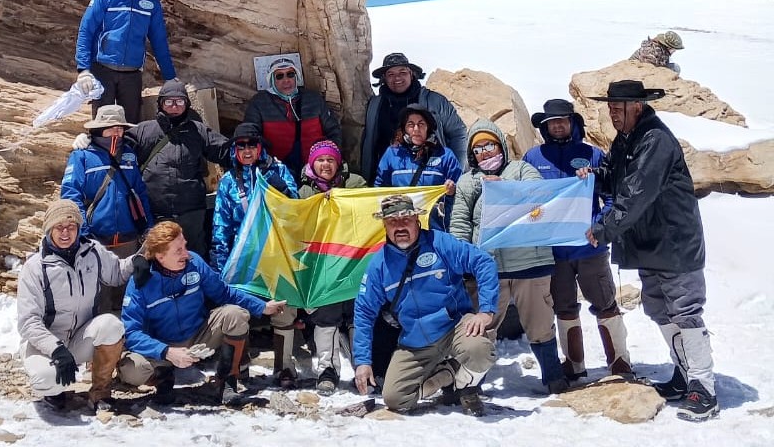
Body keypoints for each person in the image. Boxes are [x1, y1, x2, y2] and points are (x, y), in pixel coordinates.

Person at [581, 79, 719, 421]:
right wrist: (593, 176)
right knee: (659, 308)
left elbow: (636, 194)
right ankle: (684, 374)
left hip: (674, 241)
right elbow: (616, 177)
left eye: (618, 108)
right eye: (610, 108)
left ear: (637, 107)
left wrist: (604, 229)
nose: (612, 114)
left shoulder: (655, 139)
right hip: (649, 242)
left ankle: (704, 386)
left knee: (685, 309)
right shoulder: (627, 138)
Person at [449, 120, 568, 395]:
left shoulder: (522, 170)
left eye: (489, 145)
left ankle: (553, 377)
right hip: (488, 268)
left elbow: (539, 198)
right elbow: (460, 222)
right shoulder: (468, 181)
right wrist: (462, 261)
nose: (485, 153)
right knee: (482, 328)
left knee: (540, 326)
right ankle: (471, 383)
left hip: (531, 263)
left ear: (500, 144)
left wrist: (503, 188)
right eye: (477, 149)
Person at [353, 194, 499, 416]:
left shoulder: (440, 243)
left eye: (406, 220)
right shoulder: (378, 265)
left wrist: (486, 311)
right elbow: (364, 312)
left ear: (416, 221)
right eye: (393, 221)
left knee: (480, 351)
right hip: (416, 341)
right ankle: (449, 374)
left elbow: (483, 262)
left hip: (454, 327)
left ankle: (467, 387)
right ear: (384, 225)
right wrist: (363, 361)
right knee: (395, 399)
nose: (400, 226)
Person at [118, 221, 287, 405]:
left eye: (184, 246)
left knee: (236, 315)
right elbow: (132, 332)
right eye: (178, 250)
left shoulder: (195, 263)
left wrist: (262, 307)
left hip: (198, 335)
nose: (186, 253)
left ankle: (227, 381)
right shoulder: (140, 283)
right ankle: (162, 378)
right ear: (159, 255)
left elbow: (224, 293)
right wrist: (166, 352)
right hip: (161, 346)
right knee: (131, 370)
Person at [522, 99, 632, 379]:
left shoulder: (593, 154)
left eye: (563, 120)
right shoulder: (533, 158)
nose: (557, 126)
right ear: (544, 127)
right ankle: (574, 364)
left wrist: (599, 228)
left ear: (573, 122)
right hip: (553, 252)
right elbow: (524, 200)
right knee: (564, 307)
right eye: (551, 122)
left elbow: (610, 197)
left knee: (605, 302)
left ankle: (619, 361)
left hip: (589, 247)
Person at [72, 80, 230, 256]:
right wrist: (89, 139)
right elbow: (113, 144)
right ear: (160, 104)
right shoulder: (145, 130)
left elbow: (225, 151)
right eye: (169, 101)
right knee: (159, 262)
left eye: (180, 101)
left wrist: (250, 150)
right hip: (156, 215)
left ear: (187, 104)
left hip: (191, 214)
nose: (175, 106)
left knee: (193, 260)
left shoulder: (198, 131)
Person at [17, 200, 135, 412]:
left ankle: (100, 391)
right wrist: (56, 349)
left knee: (111, 325)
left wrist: (139, 260)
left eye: (71, 227)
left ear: (79, 229)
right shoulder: (35, 267)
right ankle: (57, 389)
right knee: (44, 379)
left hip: (80, 338)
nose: (65, 233)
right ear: (48, 229)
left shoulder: (94, 252)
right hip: (46, 343)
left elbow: (117, 272)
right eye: (59, 227)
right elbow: (28, 322)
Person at [210, 123, 301, 388]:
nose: (247, 150)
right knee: (241, 309)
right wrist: (221, 264)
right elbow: (221, 225)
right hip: (243, 258)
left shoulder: (279, 170)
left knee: (284, 308)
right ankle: (241, 365)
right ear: (234, 149)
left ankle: (285, 368)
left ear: (260, 146)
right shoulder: (228, 181)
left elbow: (294, 209)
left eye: (252, 144)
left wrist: (281, 189)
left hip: (276, 255)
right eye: (241, 146)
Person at [60, 105, 153, 309]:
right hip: (96, 241)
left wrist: (148, 226)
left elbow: (140, 192)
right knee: (97, 301)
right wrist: (83, 233)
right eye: (112, 128)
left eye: (120, 128)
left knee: (127, 299)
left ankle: (126, 339)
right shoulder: (82, 156)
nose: (117, 133)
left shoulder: (129, 154)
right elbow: (70, 196)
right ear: (99, 128)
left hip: (128, 241)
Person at [75, 0, 176, 122]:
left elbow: (159, 40)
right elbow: (86, 31)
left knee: (130, 124)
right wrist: (83, 70)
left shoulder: (150, 1)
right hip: (103, 70)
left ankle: (128, 150)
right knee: (101, 123)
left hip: (132, 73)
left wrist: (170, 77)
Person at [298, 140, 366, 395]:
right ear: (312, 163)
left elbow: (367, 212)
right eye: (320, 160)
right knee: (326, 315)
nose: (325, 165)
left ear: (338, 163)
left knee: (357, 313)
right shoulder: (304, 191)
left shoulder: (356, 184)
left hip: (352, 260)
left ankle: (363, 366)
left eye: (330, 160)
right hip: (321, 263)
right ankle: (327, 369)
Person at [360, 52, 469, 182]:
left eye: (402, 72)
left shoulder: (435, 101)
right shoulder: (374, 105)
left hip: (430, 181)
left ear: (411, 74)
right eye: (391, 74)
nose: (397, 78)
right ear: (384, 78)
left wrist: (456, 171)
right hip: (385, 180)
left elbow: (458, 133)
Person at [243, 56, 342, 179]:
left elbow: (333, 131)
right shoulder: (260, 102)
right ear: (272, 80)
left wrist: (328, 156)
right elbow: (249, 135)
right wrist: (265, 161)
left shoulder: (313, 99)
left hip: (315, 170)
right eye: (279, 76)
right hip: (277, 170)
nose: (286, 80)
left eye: (290, 74)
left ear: (297, 77)